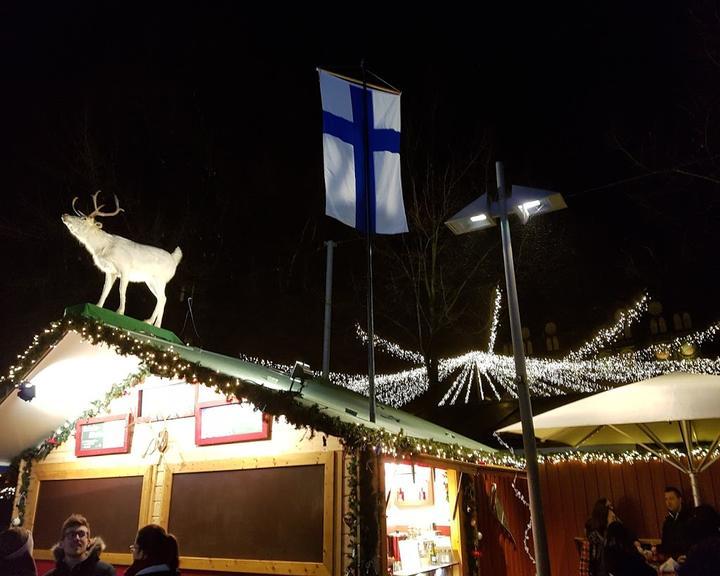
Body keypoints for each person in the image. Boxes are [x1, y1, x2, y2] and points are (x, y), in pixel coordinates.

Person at [43, 514, 115, 576]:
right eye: (71, 534)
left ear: (88, 542)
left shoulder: (105, 572)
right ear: (62, 544)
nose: (77, 538)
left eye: (81, 534)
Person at [660, 486, 693, 562]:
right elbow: (665, 545)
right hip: (673, 560)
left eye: (671, 499)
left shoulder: (690, 518)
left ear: (680, 499)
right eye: (666, 499)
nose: (668, 503)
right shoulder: (667, 522)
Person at [585, 497, 615, 576]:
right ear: (602, 510)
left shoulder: (613, 521)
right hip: (600, 570)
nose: (612, 509)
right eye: (609, 507)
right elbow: (598, 555)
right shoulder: (593, 530)